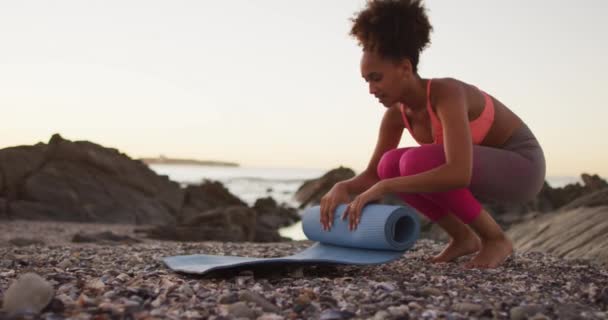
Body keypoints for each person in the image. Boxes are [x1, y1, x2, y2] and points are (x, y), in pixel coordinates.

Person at [319, 0, 545, 269]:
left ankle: (495, 239)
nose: (371, 89)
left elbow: (458, 172)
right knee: (389, 164)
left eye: (376, 78)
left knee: (416, 162)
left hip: (522, 168)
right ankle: (463, 237)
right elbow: (375, 174)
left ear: (405, 68)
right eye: (367, 80)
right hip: (485, 170)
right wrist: (343, 186)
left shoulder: (446, 93)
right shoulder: (395, 115)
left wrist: (386, 187)